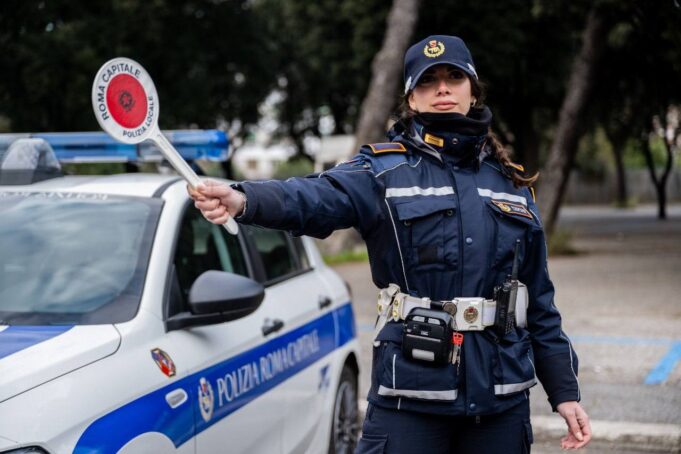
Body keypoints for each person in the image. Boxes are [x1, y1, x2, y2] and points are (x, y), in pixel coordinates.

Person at [188, 35, 591, 453]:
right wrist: (244, 198)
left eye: (454, 77)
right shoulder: (381, 171)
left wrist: (565, 391)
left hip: (500, 402)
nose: (442, 89)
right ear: (410, 100)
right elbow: (311, 197)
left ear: (473, 91)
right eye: (427, 81)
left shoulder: (511, 183)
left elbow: (539, 300)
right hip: (410, 400)